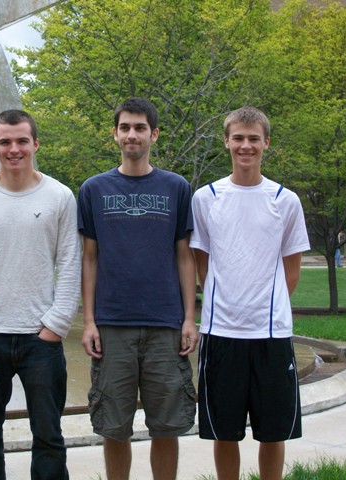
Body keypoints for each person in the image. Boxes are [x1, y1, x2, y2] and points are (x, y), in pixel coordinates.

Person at [0, 109, 81, 480]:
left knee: (49, 437)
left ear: (35, 144)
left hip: (41, 339)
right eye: (5, 141)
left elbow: (71, 264)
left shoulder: (60, 196)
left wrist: (55, 325)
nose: (14, 149)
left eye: (22, 140)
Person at [78, 97, 198, 480]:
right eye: (125, 127)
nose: (132, 134)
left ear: (154, 134)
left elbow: (184, 256)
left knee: (167, 427)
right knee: (114, 428)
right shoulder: (94, 189)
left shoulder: (176, 187)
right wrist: (89, 321)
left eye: (140, 127)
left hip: (165, 324)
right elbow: (90, 258)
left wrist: (189, 318)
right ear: (115, 133)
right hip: (113, 325)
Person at [190, 106, 310, 480]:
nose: (246, 146)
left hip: (271, 334)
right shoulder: (205, 198)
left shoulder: (284, 200)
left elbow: (291, 272)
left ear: (266, 143)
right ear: (226, 141)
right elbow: (202, 265)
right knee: (224, 433)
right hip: (221, 333)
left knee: (273, 433)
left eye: (253, 139)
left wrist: (264, 307)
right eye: (238, 138)